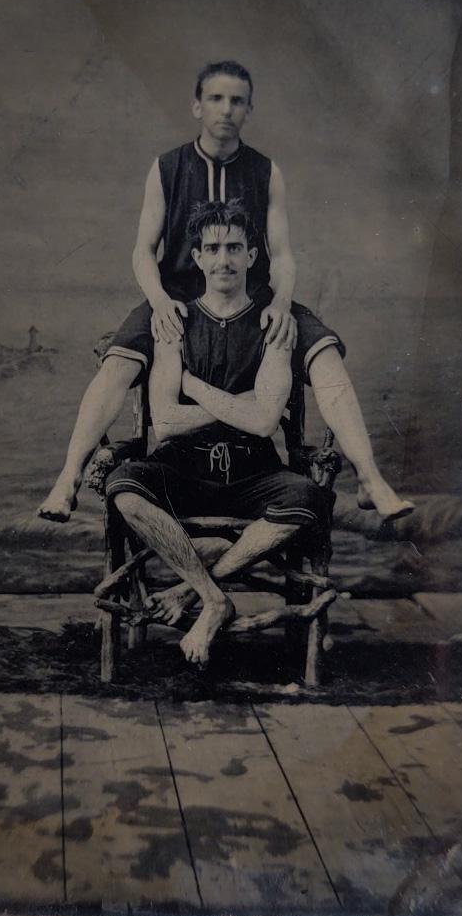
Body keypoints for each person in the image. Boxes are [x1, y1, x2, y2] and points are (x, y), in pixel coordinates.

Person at [38, 60, 412, 523]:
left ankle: (371, 480)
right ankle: (68, 477)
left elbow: (284, 253)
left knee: (325, 354)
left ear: (249, 108)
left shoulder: (265, 171)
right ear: (197, 105)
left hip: (251, 297)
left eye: (237, 100)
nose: (226, 109)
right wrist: (158, 303)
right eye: (216, 98)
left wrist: (278, 303)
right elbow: (142, 250)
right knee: (117, 364)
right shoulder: (167, 168)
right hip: (175, 297)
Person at [105, 201, 333, 664]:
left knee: (308, 498)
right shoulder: (174, 323)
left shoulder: (273, 324)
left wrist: (194, 387)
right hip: (184, 467)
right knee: (124, 489)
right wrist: (240, 404)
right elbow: (166, 422)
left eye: (234, 247)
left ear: (252, 256)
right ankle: (215, 598)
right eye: (213, 248)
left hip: (253, 470)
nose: (224, 259)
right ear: (198, 257)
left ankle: (192, 595)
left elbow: (265, 423)